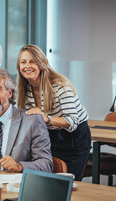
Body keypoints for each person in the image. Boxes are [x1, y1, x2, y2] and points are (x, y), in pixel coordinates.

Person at [16, 44, 91, 180]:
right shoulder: (24, 89)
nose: (27, 66)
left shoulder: (59, 85)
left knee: (67, 181)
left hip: (74, 137)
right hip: (50, 135)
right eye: (23, 62)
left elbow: (72, 121)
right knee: (48, 178)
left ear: (42, 64)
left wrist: (46, 118)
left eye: (33, 61)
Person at [0, 68, 53, 172]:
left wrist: (19, 166)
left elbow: (47, 164)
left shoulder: (33, 121)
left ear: (9, 93)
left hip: (16, 186)